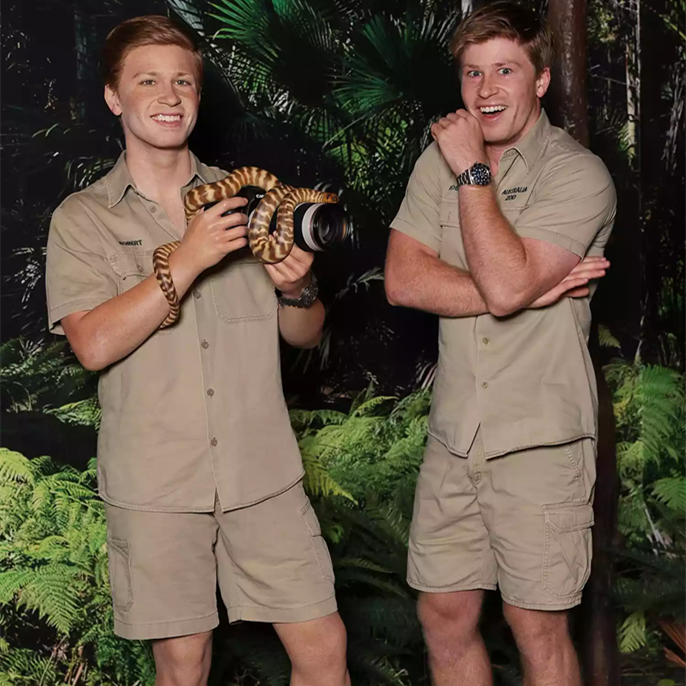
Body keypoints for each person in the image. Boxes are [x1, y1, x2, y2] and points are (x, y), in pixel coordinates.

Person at [45, 15, 349, 686]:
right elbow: (92, 344)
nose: (169, 95)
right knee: (184, 666)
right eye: (147, 80)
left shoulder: (254, 199)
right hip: (156, 485)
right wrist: (186, 260)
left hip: (261, 474)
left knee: (324, 652)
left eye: (183, 81)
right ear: (114, 97)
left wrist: (298, 289)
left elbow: (303, 333)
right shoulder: (84, 218)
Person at [384, 3, 616, 685]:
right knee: (444, 616)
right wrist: (521, 287)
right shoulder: (438, 161)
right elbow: (402, 281)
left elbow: (510, 286)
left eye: (505, 70)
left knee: (537, 629)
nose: (485, 91)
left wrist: (473, 176)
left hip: (540, 441)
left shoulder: (578, 175)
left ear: (540, 80)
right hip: (456, 437)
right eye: (472, 73)